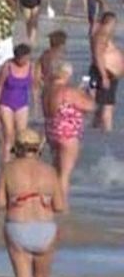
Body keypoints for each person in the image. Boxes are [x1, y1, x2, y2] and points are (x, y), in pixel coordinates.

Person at [0, 128, 63, 277]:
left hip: (18, 226)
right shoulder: (50, 171)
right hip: (45, 228)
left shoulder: (8, 169)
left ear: (18, 147)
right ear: (38, 148)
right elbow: (60, 206)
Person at [42, 61, 94, 197]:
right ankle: (61, 204)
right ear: (66, 74)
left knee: (56, 169)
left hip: (51, 131)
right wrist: (89, 93)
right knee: (64, 174)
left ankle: (52, 199)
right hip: (68, 133)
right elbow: (90, 106)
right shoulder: (68, 91)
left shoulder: (47, 90)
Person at [0, 43, 37, 161]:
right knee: (8, 135)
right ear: (17, 57)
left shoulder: (31, 67)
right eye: (23, 58)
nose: (25, 60)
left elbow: (34, 87)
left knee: (22, 136)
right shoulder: (7, 66)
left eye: (27, 58)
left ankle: (19, 161)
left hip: (22, 104)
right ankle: (6, 164)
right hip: (6, 103)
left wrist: (35, 105)